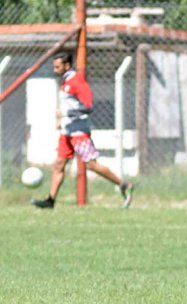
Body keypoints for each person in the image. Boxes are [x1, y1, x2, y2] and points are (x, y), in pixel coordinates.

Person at [32, 52, 133, 209]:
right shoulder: (66, 82)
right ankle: (50, 200)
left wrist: (66, 114)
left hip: (79, 133)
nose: (54, 70)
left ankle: (123, 185)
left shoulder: (77, 81)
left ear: (67, 66)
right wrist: (62, 121)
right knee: (59, 164)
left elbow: (88, 106)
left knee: (91, 165)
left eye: (57, 67)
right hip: (67, 132)